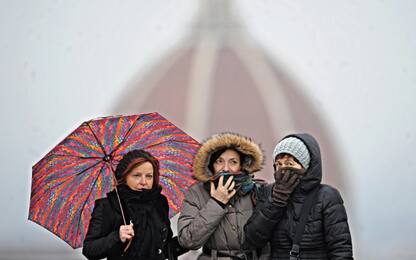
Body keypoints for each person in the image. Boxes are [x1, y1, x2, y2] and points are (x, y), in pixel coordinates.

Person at [244, 133, 353, 259]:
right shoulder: (268, 193)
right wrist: (276, 202)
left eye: (289, 164)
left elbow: (340, 249)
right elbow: (252, 240)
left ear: (306, 166)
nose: (283, 169)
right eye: (279, 164)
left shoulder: (327, 197)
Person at [177, 132, 268, 260]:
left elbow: (270, 239)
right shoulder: (197, 192)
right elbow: (188, 240)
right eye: (219, 161)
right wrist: (216, 203)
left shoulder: (257, 191)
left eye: (233, 162)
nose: (225, 168)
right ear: (210, 165)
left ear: (242, 166)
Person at [83, 149, 186, 260]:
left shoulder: (159, 202)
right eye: (137, 175)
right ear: (125, 176)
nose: (144, 181)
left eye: (149, 176)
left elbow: (165, 245)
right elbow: (89, 249)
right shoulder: (108, 206)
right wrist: (117, 237)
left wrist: (192, 238)